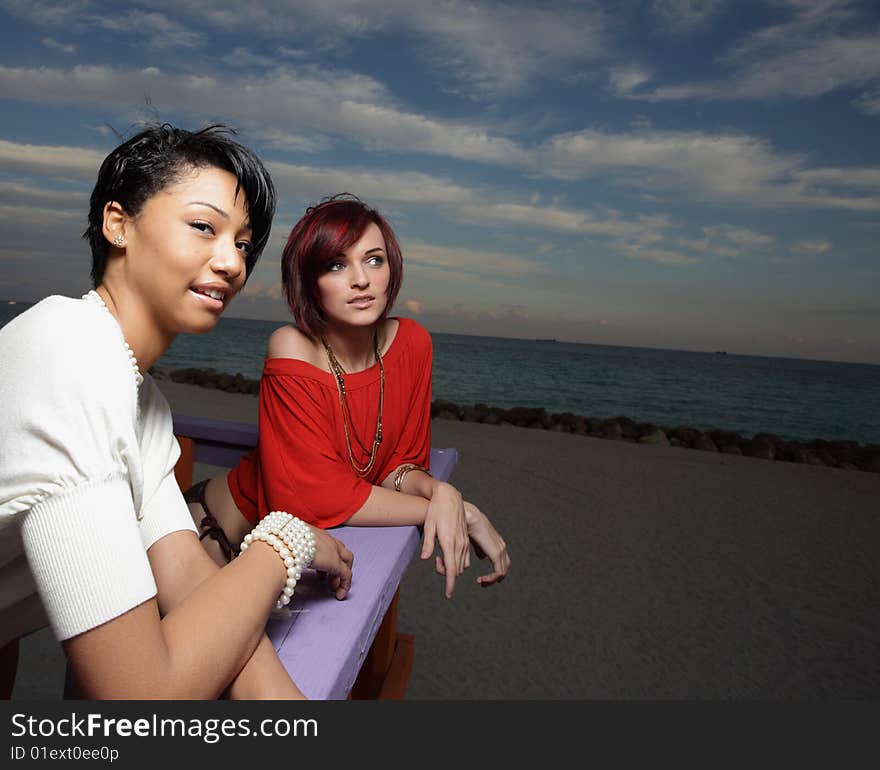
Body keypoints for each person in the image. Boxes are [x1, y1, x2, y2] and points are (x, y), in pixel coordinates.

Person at [0, 125, 353, 700]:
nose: (232, 262)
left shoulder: (142, 401)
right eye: (204, 227)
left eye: (242, 243)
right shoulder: (67, 355)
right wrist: (285, 542)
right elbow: (139, 695)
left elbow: (188, 578)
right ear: (118, 224)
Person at [186, 194, 510, 599]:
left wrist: (439, 490)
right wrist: (455, 513)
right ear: (309, 281)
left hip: (284, 564)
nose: (361, 279)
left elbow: (397, 466)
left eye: (374, 259)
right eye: (336, 265)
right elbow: (311, 499)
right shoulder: (292, 346)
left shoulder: (412, 343)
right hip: (210, 537)